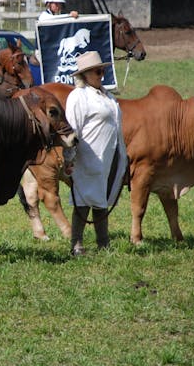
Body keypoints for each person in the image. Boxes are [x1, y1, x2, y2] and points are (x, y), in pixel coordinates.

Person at [64, 51, 127, 256]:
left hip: (106, 157)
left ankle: (103, 243)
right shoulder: (78, 96)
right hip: (87, 156)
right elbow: (72, 129)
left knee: (101, 198)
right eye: (97, 72)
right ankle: (76, 244)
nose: (102, 75)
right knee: (84, 200)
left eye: (103, 70)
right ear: (85, 75)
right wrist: (70, 158)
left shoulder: (106, 95)